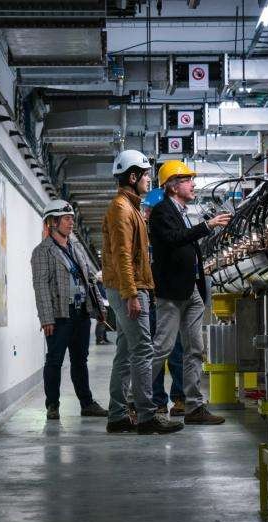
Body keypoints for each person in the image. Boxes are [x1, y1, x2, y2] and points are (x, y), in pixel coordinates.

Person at [102, 149, 184, 435]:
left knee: (126, 352)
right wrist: (132, 293)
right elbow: (122, 255)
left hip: (130, 286)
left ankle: (117, 416)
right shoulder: (122, 209)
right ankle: (148, 415)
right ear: (133, 176)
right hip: (130, 288)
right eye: (146, 174)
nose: (149, 179)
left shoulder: (131, 207)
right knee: (143, 350)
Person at [149, 160, 231, 425]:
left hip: (191, 289)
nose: (193, 183)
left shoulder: (182, 210)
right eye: (187, 179)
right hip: (172, 291)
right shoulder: (162, 211)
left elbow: (186, 242)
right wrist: (207, 227)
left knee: (195, 348)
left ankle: (194, 406)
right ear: (173, 185)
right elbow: (174, 239)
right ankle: (136, 398)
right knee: (162, 347)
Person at [31, 199, 109, 420]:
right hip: (59, 315)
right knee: (54, 360)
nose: (71, 222)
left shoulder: (76, 247)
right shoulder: (43, 252)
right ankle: (52, 405)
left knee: (80, 361)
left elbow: (89, 280)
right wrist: (46, 318)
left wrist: (99, 308)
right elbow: (41, 287)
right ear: (53, 222)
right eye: (66, 219)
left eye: (72, 218)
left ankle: (87, 403)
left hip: (81, 313)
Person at [143, 187, 186, 417]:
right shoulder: (143, 236)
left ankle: (179, 398)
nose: (148, 215)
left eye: (151, 210)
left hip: (169, 296)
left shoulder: (169, 232)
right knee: (156, 350)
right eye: (147, 211)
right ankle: (158, 400)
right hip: (151, 299)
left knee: (176, 350)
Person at [94, 271, 111, 345]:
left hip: (105, 305)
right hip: (102, 305)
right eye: (101, 277)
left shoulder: (102, 285)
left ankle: (104, 338)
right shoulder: (99, 285)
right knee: (101, 323)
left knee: (104, 323)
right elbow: (103, 295)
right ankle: (99, 339)